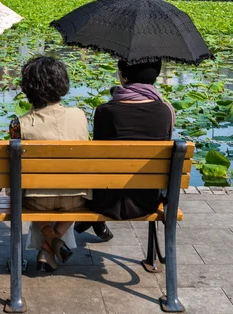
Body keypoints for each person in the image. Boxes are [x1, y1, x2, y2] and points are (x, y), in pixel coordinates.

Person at [74, 60, 175, 240]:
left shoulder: (104, 111)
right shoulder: (165, 112)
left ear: (123, 76)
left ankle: (93, 222)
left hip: (106, 201)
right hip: (147, 201)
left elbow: (99, 160)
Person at [9, 56, 90, 272]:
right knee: (70, 193)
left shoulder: (19, 124)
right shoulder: (80, 116)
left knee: (24, 192)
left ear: (28, 88)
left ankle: (50, 240)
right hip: (76, 199)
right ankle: (51, 245)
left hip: (34, 201)